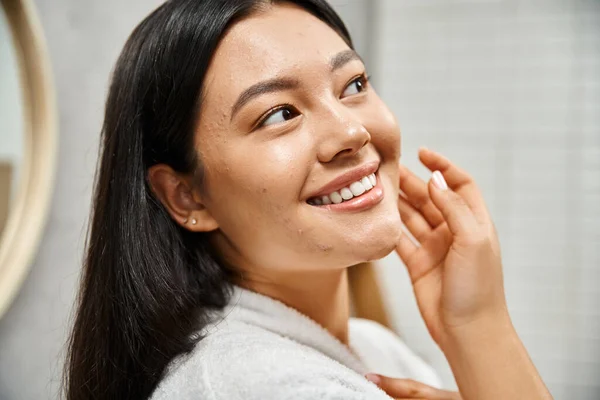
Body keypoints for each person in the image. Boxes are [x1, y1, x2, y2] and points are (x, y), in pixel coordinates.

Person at [63, 0, 554, 399]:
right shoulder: (258, 384)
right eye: (278, 114)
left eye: (354, 85)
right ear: (187, 196)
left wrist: (474, 322)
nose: (351, 130)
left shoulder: (376, 350)